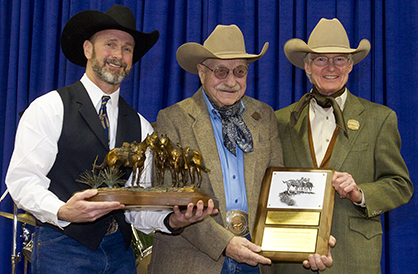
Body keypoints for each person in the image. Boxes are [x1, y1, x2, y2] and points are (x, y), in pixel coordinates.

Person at [5, 4, 215, 274]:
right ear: (88, 49)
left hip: (120, 254)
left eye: (127, 49)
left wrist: (172, 220)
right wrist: (61, 211)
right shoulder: (49, 108)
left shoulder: (140, 126)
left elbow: (137, 205)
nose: (118, 55)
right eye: (110, 44)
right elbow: (22, 180)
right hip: (62, 248)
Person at [150, 24, 334, 274]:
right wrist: (224, 243)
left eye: (239, 71)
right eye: (221, 71)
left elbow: (278, 187)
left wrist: (309, 235)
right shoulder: (173, 119)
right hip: (194, 260)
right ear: (201, 72)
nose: (231, 81)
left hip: (253, 257)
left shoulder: (264, 115)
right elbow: (174, 197)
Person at [275, 18, 414, 273]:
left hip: (354, 260)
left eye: (339, 59)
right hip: (292, 260)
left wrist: (360, 193)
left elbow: (400, 185)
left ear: (350, 65)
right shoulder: (280, 120)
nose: (331, 67)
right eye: (320, 59)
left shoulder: (379, 118)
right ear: (307, 66)